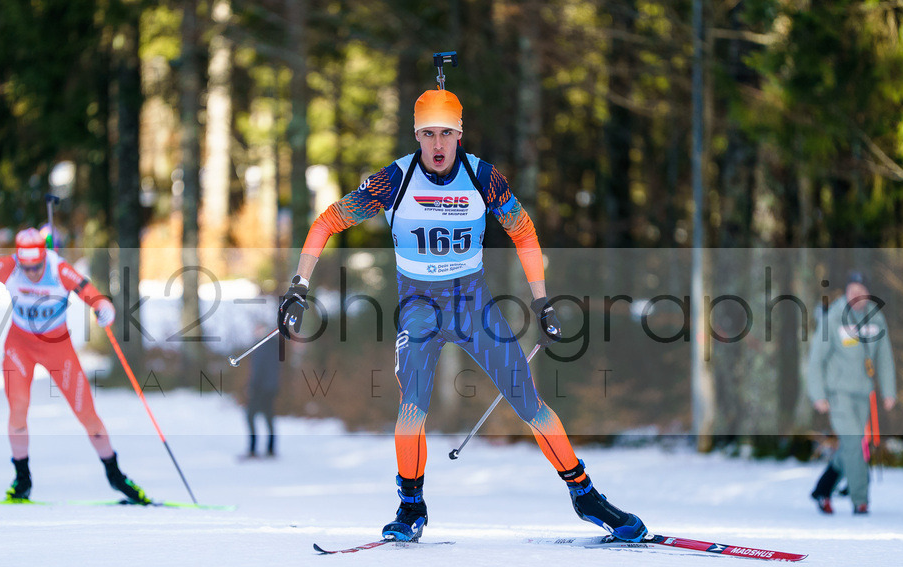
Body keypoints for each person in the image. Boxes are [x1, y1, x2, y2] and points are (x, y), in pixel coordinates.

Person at [277, 85, 647, 542]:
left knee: (529, 402)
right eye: (428, 134)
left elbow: (524, 231)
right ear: (416, 135)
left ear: (460, 133)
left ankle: (586, 496)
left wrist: (541, 300)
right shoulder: (395, 180)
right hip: (419, 308)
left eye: (446, 134)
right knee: (410, 407)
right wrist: (299, 284)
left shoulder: (482, 177)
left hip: (473, 305)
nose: (437, 145)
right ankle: (410, 506)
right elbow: (328, 221)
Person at [0, 227, 151, 504]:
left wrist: (104, 308)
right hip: (20, 346)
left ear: (45, 256)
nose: (31, 272)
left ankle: (115, 475)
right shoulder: (10, 266)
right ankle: (22, 480)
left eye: (37, 266)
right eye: (26, 266)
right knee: (17, 409)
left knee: (87, 414)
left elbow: (93, 295)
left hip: (58, 348)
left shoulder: (59, 269)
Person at [807, 270, 896, 514]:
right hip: (839, 394)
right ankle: (861, 501)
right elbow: (816, 360)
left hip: (863, 394)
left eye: (861, 290)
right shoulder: (834, 317)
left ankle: (823, 490)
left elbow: (884, 357)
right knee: (855, 444)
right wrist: (818, 395)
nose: (856, 294)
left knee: (851, 446)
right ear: (846, 292)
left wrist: (889, 391)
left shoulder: (876, 318)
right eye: (851, 290)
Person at [242, 325, 281, 459]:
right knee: (269, 417)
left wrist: (252, 386)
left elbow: (258, 369)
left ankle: (253, 449)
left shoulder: (261, 347)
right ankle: (271, 449)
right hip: (271, 387)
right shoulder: (274, 346)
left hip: (260, 388)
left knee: (250, 416)